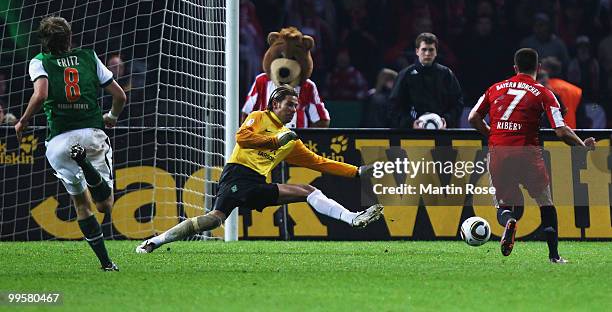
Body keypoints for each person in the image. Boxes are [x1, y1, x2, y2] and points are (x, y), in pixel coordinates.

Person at [136, 85, 383, 253]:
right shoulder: (259, 117)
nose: (293, 110)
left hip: (254, 183)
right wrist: (275, 142)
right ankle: (155, 241)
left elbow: (319, 162)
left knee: (306, 191)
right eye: (289, 105)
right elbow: (242, 138)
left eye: (296, 106)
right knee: (214, 220)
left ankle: (352, 218)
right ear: (275, 104)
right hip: (237, 174)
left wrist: (356, 171)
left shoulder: (290, 139)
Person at [14, 16, 126, 271]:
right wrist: (112, 116)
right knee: (105, 205)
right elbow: (120, 95)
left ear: (44, 41)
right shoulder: (89, 57)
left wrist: (23, 122)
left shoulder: (39, 61)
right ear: (70, 37)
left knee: (81, 205)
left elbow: (41, 94)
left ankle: (106, 263)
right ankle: (84, 162)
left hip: (59, 141)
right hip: (91, 133)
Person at [468, 48, 595, 263]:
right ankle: (554, 256)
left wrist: (494, 134)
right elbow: (561, 130)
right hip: (527, 153)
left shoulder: (495, 88)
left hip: (499, 152)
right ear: (538, 68)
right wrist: (582, 145)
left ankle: (509, 220)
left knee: (503, 205)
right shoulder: (544, 92)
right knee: (545, 202)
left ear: (515, 68)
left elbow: (473, 117)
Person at [389, 32, 463, 128]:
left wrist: (447, 120)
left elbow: (457, 103)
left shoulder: (446, 74)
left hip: (442, 132)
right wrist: (410, 123)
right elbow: (394, 106)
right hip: (412, 134)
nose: (427, 54)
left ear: (436, 52)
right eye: (424, 50)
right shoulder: (406, 75)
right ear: (417, 51)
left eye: (431, 50)